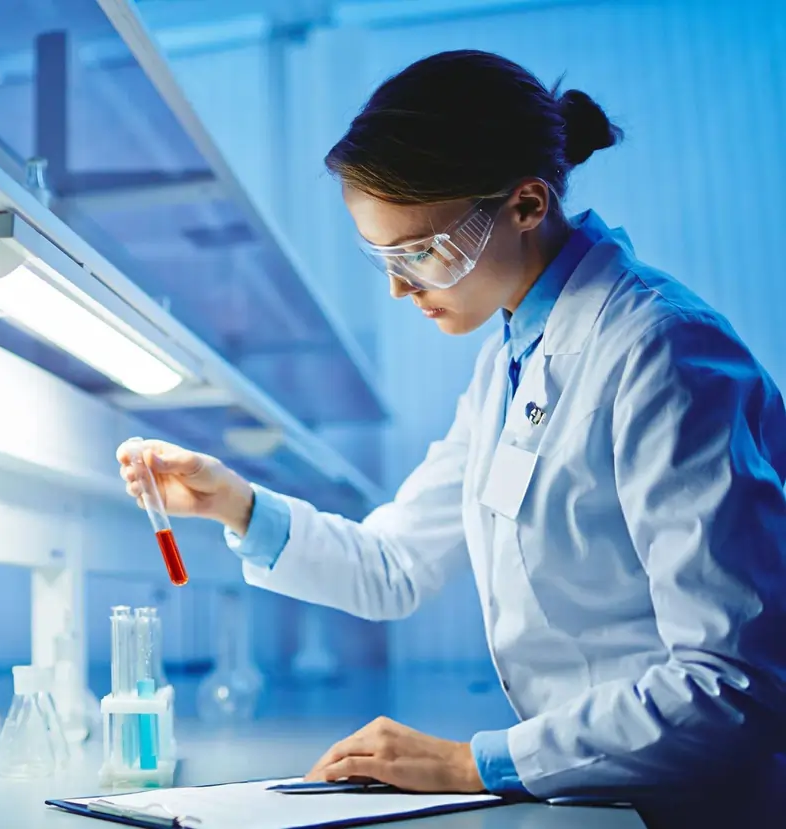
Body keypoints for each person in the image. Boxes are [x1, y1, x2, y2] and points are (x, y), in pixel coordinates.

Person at [117, 50, 786, 827]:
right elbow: (393, 565)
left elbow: (738, 682)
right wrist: (235, 504)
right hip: (595, 800)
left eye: (422, 251)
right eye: (383, 259)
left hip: (700, 807)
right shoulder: (508, 362)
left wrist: (474, 762)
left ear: (527, 203)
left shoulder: (661, 351)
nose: (401, 287)